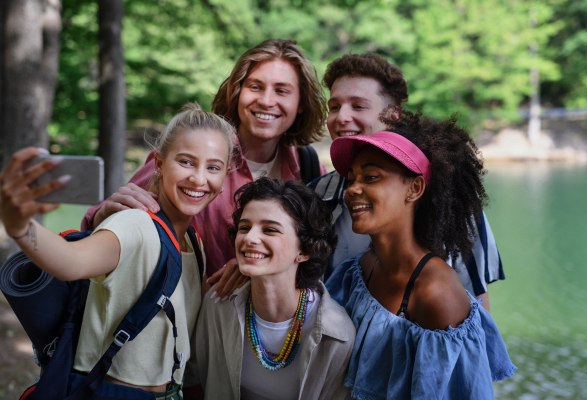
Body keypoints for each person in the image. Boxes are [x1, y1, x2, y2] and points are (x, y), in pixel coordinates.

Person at [0, 104, 235, 398]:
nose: (199, 179)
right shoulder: (135, 224)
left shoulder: (193, 240)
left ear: (225, 176)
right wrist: (22, 227)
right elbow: (70, 261)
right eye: (186, 162)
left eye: (213, 167)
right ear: (159, 164)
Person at [80, 39, 328, 277]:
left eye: (282, 90)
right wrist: (104, 216)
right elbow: (105, 228)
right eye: (255, 86)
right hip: (182, 309)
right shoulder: (195, 146)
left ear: (302, 103)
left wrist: (250, 266)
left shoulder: (308, 168)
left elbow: (316, 254)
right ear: (237, 91)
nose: (266, 101)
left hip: (264, 318)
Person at [325, 111, 516, 399]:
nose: (352, 189)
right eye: (352, 178)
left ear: (414, 188)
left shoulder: (437, 293)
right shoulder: (359, 271)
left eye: (371, 177)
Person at [308, 53, 503, 310]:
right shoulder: (316, 196)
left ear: (394, 116)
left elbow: (477, 303)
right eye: (334, 107)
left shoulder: (448, 196)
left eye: (358, 106)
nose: (341, 117)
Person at [184, 178, 355, 400]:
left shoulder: (337, 335)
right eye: (244, 227)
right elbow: (187, 377)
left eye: (270, 229)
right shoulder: (218, 305)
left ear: (305, 250)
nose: (250, 238)